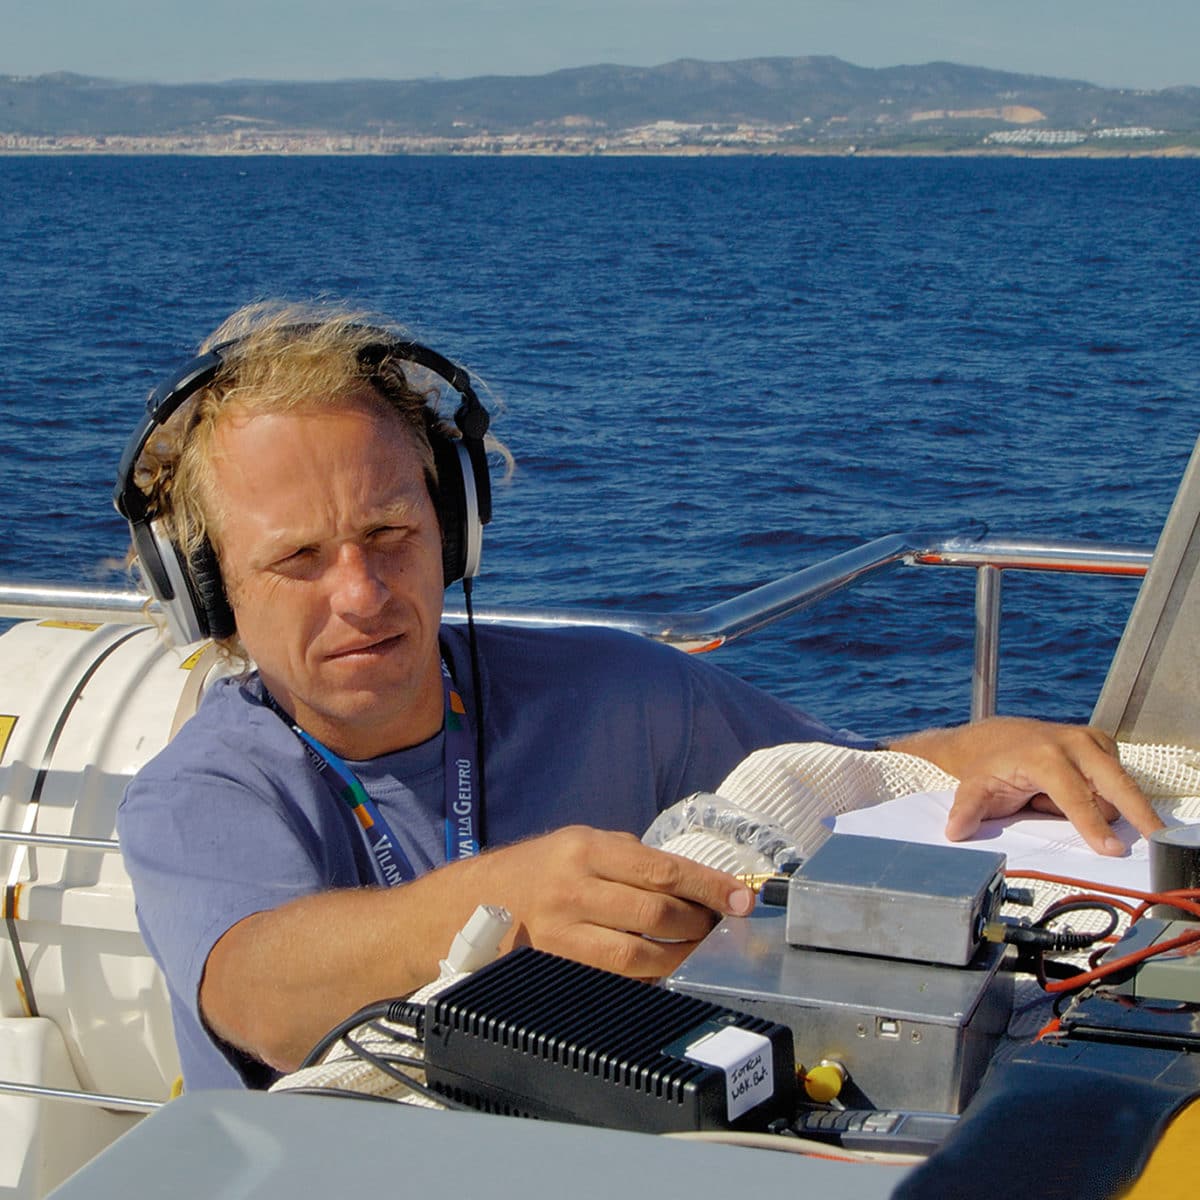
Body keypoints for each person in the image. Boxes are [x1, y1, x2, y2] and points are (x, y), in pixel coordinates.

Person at [116, 302, 1163, 1091]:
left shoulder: (618, 692)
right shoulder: (200, 794)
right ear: (207, 592)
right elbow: (259, 992)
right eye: (298, 558)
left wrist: (981, 752)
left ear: (455, 529)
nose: (361, 592)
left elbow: (840, 780)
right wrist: (508, 904)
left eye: (390, 533)